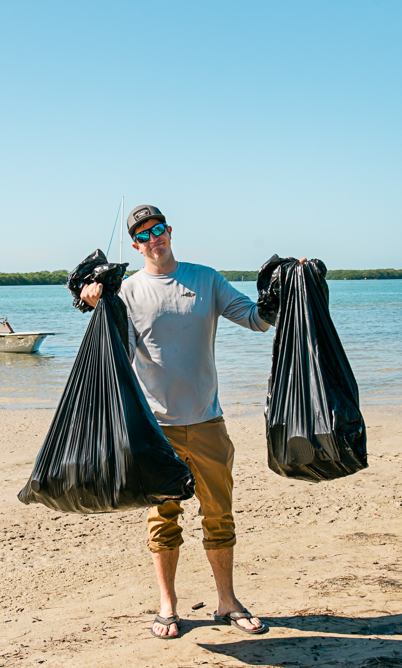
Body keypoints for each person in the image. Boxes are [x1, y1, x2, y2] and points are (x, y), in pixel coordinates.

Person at [81, 204, 293, 639]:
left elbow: (257, 319)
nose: (152, 238)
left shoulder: (206, 279)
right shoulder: (127, 291)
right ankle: (167, 605)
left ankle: (227, 601)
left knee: (220, 514)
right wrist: (93, 304)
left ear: (169, 231)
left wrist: (291, 282)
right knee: (163, 518)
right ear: (135, 244)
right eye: (142, 235)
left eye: (158, 229)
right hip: (155, 428)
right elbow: (113, 353)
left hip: (208, 421)